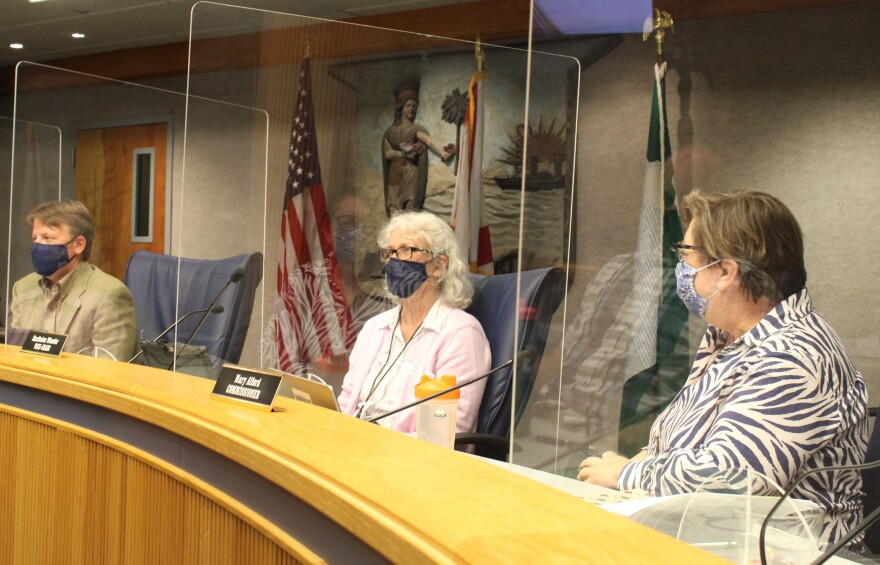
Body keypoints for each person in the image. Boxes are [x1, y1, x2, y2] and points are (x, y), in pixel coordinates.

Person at [577, 190, 868, 549]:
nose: (680, 269)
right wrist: (645, 461)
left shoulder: (794, 355)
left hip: (784, 551)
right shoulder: (728, 336)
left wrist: (625, 474)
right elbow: (685, 444)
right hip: (710, 534)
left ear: (726, 272)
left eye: (686, 255)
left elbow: (729, 477)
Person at [338, 211, 491, 435]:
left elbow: (447, 430)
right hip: (354, 444)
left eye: (406, 250)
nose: (393, 261)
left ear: (438, 266)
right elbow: (345, 404)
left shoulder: (461, 333)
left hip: (411, 459)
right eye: (390, 252)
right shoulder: (374, 328)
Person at [8, 200, 138, 361]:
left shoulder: (109, 294)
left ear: (78, 244)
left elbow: (109, 372)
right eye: (35, 238)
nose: (38, 246)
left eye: (48, 238)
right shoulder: (22, 288)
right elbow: (13, 356)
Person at [382, 79, 455, 216]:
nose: (411, 109)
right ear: (401, 108)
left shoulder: (416, 129)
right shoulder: (390, 132)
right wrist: (403, 154)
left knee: (410, 207)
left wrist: (442, 153)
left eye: (414, 107)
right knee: (394, 209)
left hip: (411, 172)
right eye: (408, 106)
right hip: (395, 172)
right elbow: (387, 153)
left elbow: (428, 141)